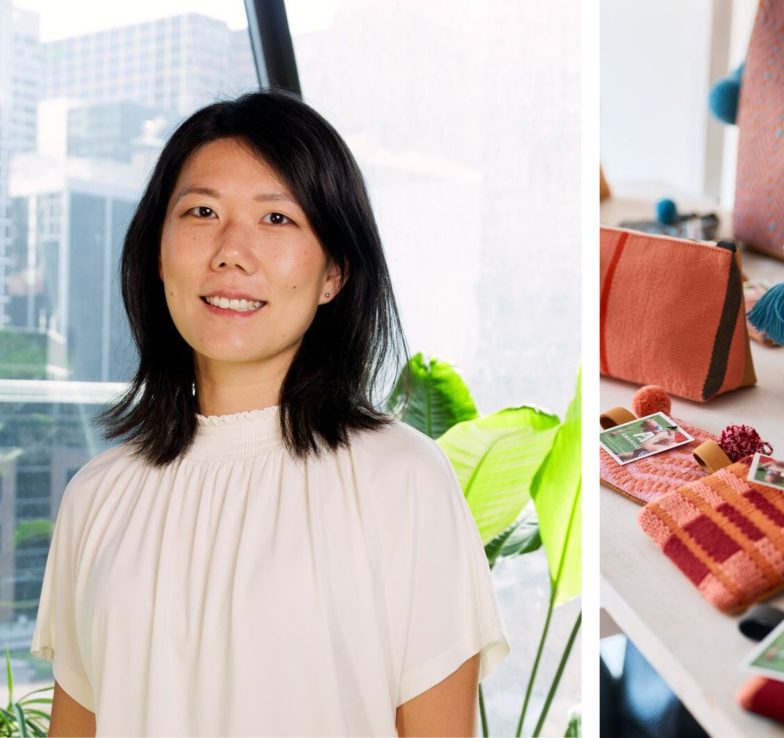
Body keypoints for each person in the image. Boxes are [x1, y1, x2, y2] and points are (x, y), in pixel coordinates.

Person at [31, 91, 507, 737]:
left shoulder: (401, 478)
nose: (231, 251)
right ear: (157, 250)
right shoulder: (97, 496)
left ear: (335, 271)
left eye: (277, 219)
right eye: (201, 211)